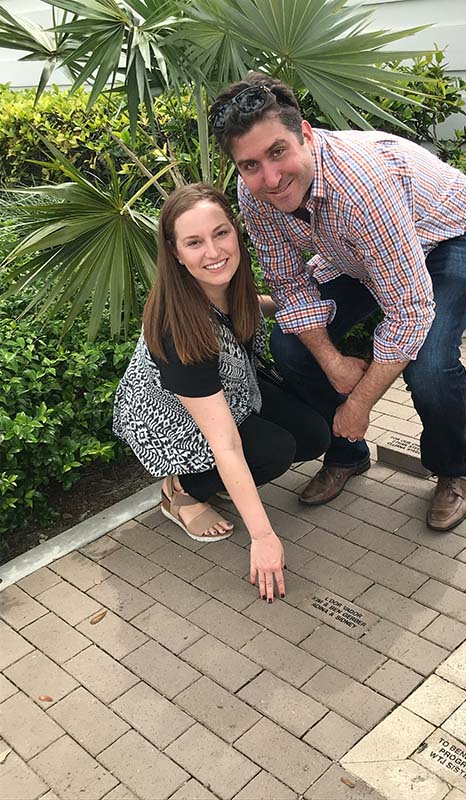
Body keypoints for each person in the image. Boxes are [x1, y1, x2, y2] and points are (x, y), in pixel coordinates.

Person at [209, 74, 466, 532]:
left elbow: (409, 309)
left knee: (430, 364)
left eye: (278, 152)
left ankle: (452, 469)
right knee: (290, 344)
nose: (271, 178)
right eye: (250, 164)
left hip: (445, 234)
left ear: (304, 133)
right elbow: (289, 283)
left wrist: (358, 403)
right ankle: (347, 452)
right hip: (356, 253)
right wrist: (334, 361)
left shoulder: (360, 184)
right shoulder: (255, 195)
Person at [113, 184, 330, 601]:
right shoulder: (177, 328)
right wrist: (263, 536)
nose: (213, 252)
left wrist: (301, 304)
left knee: (314, 435)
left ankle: (223, 483)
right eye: (194, 242)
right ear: (175, 252)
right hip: (173, 422)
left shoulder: (228, 281)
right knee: (273, 450)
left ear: (236, 231)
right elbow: (225, 441)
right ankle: (181, 491)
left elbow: (252, 304)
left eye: (221, 233)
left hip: (231, 389)